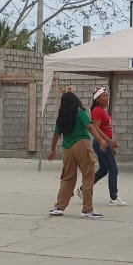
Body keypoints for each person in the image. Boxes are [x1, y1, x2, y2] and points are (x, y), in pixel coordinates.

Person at [47, 88, 111, 218]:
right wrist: (100, 140)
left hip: (67, 148)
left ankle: (59, 207)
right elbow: (90, 127)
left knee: (67, 177)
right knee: (88, 176)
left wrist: (52, 150)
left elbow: (56, 134)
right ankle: (87, 209)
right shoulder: (80, 112)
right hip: (82, 145)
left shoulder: (62, 116)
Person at [89, 87, 126, 206]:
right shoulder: (97, 110)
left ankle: (83, 188)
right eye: (104, 96)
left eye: (107, 95)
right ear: (97, 99)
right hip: (101, 143)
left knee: (104, 169)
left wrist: (111, 145)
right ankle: (113, 197)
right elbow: (96, 129)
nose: (106, 98)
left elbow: (105, 128)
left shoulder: (101, 110)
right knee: (113, 168)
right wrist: (108, 142)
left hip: (104, 143)